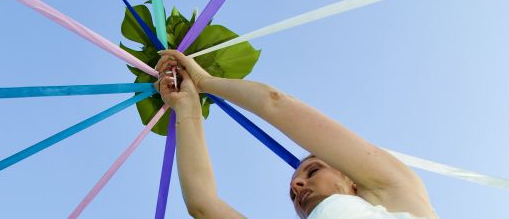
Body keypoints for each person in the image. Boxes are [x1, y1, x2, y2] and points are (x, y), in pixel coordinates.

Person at [155, 49, 437, 219]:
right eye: (295, 189)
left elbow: (274, 102)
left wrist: (206, 81)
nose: (297, 187)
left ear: (350, 177)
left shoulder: (395, 189)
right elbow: (203, 205)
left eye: (311, 171)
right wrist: (187, 108)